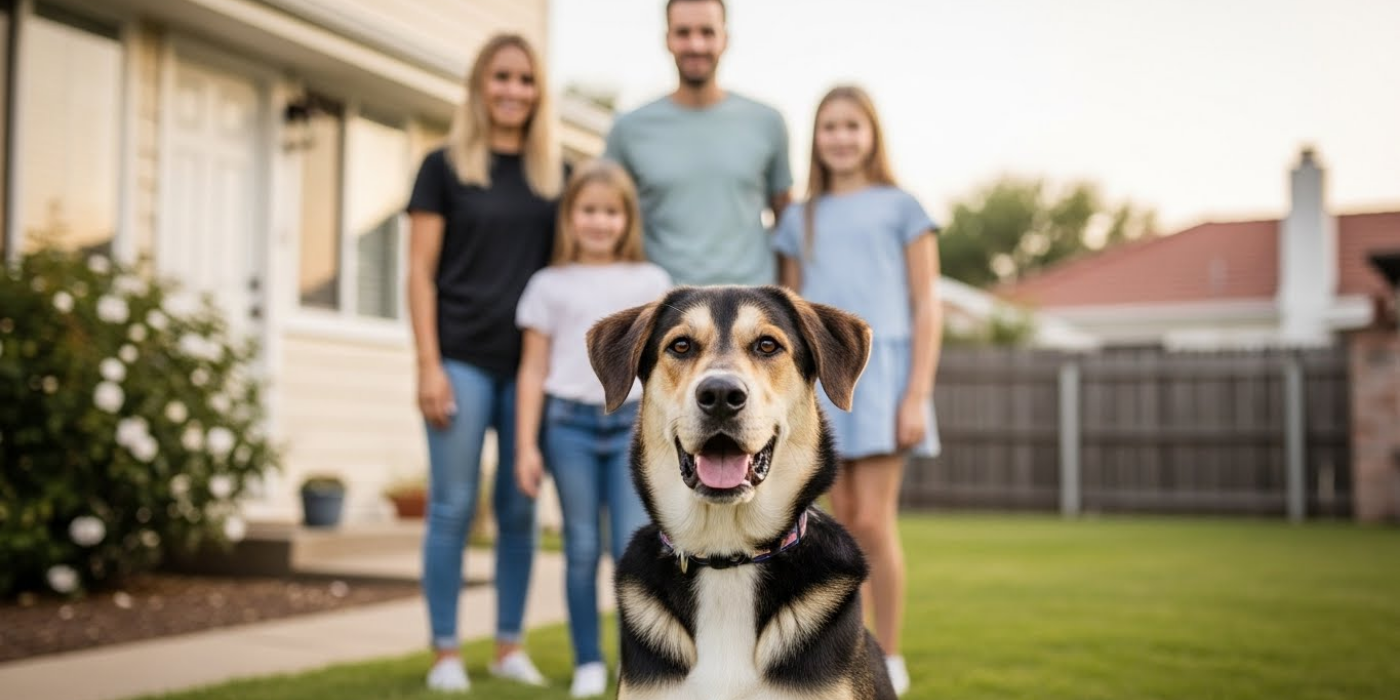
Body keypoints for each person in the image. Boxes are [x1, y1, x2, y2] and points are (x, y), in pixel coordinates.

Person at [405, 33, 564, 693]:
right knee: (452, 507)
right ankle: (446, 652)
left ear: (538, 92)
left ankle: (507, 646)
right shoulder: (442, 167)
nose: (512, 91)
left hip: (533, 370)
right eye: (501, 78)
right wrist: (427, 365)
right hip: (462, 360)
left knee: (520, 509)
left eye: (525, 80)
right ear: (479, 86)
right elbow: (418, 272)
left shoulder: (558, 175)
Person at [773, 85, 943, 697]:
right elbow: (790, 316)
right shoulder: (799, 219)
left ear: (872, 133)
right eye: (829, 127)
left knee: (872, 521)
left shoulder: (903, 207)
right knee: (834, 523)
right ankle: (848, 652)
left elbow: (927, 305)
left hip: (887, 373)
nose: (841, 138)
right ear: (814, 140)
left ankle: (889, 655)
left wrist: (917, 393)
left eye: (852, 126)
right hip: (824, 380)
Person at [514, 160, 672, 698]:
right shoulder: (547, 284)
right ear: (570, 216)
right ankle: (587, 660)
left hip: (631, 425)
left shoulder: (651, 283)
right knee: (580, 547)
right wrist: (524, 448)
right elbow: (532, 370)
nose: (599, 222)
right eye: (588, 210)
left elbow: (664, 372)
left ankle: (641, 665)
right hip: (568, 428)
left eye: (611, 212)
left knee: (634, 550)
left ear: (627, 219)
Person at [603, 0, 792, 286]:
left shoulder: (768, 122)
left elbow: (787, 226)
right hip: (665, 308)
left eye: (707, 32)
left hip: (753, 303)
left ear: (725, 39)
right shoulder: (628, 128)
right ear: (667, 40)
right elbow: (608, 223)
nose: (696, 45)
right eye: (683, 33)